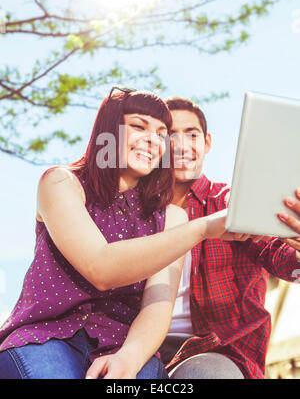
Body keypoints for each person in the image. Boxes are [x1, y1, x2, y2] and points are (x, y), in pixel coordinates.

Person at [0, 87, 237, 380]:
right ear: (109, 131)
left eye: (162, 133)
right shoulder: (62, 183)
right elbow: (101, 267)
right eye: (138, 126)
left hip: (124, 346)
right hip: (46, 337)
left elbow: (156, 305)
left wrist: (129, 357)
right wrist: (203, 228)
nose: (152, 139)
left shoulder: (172, 217)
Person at [159, 96, 300, 380]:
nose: (182, 145)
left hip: (218, 351)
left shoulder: (235, 203)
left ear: (207, 142)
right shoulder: (136, 214)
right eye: (170, 135)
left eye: (191, 134)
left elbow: (286, 261)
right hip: (141, 347)